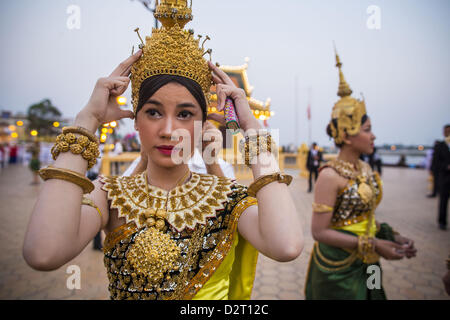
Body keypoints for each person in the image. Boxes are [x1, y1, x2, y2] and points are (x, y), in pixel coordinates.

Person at [23, 1, 303, 300]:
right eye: (154, 112)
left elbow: (285, 246)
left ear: (202, 122)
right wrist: (86, 121)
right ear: (136, 120)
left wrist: (250, 126)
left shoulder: (226, 199)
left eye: (185, 114)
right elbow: (43, 253)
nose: (168, 130)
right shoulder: (110, 194)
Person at [304, 50, 416, 300]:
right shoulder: (330, 175)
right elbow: (319, 232)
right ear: (346, 136)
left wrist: (392, 236)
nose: (373, 136)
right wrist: (373, 244)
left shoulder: (366, 169)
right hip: (337, 268)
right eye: (367, 129)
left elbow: (367, 217)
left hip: (371, 262)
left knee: (374, 295)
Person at [431, 124, 450, 230]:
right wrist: (446, 166)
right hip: (445, 177)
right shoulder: (440, 146)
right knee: (443, 201)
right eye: (446, 132)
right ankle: (442, 221)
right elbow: (435, 163)